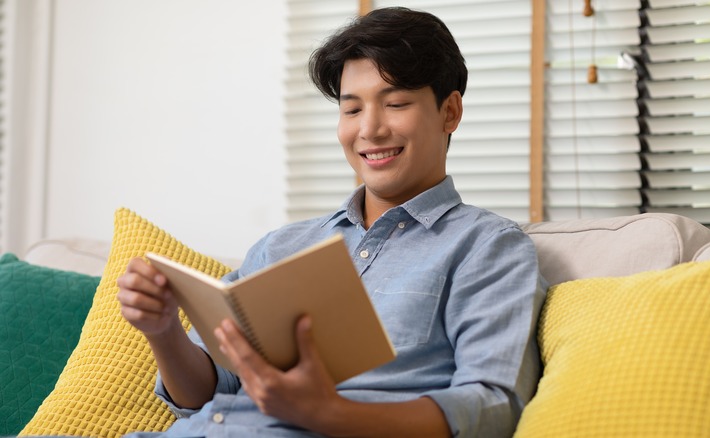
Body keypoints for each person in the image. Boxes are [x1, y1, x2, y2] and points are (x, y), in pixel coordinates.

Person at [117, 6, 547, 438]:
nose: (371, 129)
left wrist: (327, 413)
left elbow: (492, 407)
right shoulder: (281, 246)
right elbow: (199, 398)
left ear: (449, 112)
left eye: (395, 103)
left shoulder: (487, 247)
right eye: (352, 109)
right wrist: (165, 332)